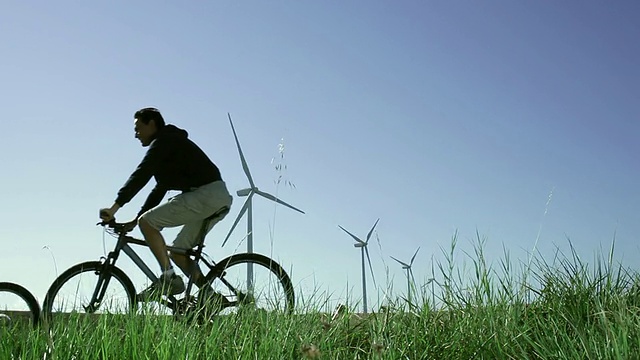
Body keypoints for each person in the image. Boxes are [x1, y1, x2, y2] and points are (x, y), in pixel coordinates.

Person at [99, 107, 233, 302]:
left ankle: (169, 279)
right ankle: (210, 297)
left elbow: (141, 174)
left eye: (138, 128)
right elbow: (159, 188)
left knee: (149, 223)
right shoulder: (170, 145)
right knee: (178, 252)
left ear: (151, 124)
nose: (135, 135)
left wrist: (114, 208)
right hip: (215, 197)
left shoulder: (164, 141)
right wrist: (137, 220)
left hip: (205, 194)